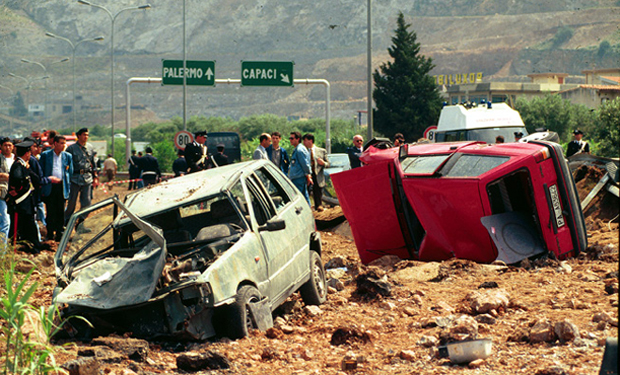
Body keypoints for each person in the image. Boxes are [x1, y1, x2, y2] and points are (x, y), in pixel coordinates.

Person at [6, 140, 41, 253]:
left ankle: (32, 248)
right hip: (20, 204)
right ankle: (15, 250)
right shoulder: (17, 165)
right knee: (17, 229)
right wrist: (16, 189)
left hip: (26, 204)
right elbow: (17, 179)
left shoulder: (23, 165)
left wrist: (27, 170)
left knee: (28, 227)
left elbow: (36, 179)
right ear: (27, 153)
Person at [39, 135, 72, 242]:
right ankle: (49, 232)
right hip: (50, 186)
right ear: (55, 143)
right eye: (61, 143)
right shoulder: (45, 155)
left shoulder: (67, 156)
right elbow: (41, 171)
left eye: (64, 143)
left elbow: (70, 172)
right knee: (50, 210)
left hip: (62, 187)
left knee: (60, 211)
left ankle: (59, 233)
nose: (63, 145)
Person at [64, 127, 98, 226]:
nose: (86, 137)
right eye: (84, 135)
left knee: (87, 203)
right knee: (71, 203)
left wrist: (95, 177)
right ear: (79, 136)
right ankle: (66, 222)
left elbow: (93, 163)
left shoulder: (90, 147)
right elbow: (67, 164)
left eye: (87, 135)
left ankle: (81, 222)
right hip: (74, 178)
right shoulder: (71, 148)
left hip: (87, 178)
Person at [302, 133, 329, 212]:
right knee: (306, 190)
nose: (304, 142)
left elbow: (328, 164)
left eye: (305, 140)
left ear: (310, 141)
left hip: (317, 174)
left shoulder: (322, 151)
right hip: (307, 174)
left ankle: (319, 205)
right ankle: (306, 207)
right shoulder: (303, 151)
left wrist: (323, 163)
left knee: (318, 190)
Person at [288, 132, 312, 205]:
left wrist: (308, 174)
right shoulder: (298, 149)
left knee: (298, 197)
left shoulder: (299, 150)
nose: (290, 140)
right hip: (298, 178)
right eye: (290, 138)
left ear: (298, 139)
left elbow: (305, 164)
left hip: (298, 178)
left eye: (292, 138)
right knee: (304, 196)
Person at [0, 137, 14, 243]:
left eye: (9, 145)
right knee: (5, 222)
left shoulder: (16, 159)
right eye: (5, 145)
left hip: (16, 194)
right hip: (3, 194)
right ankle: (3, 251)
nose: (7, 148)